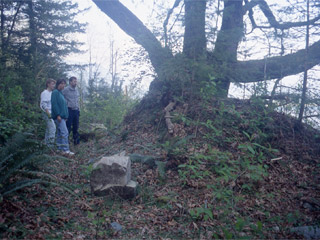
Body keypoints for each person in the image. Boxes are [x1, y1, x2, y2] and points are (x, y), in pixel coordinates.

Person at [51, 79, 74, 155]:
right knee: (65, 132)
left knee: (60, 132)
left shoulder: (60, 93)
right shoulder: (55, 93)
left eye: (64, 84)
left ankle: (59, 149)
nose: (63, 85)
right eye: (61, 83)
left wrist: (65, 116)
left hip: (63, 117)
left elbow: (63, 106)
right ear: (58, 84)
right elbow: (54, 105)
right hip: (59, 117)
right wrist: (58, 115)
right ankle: (66, 150)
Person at [62, 76, 80, 145]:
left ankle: (76, 142)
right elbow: (61, 98)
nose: (76, 83)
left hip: (76, 110)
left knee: (76, 127)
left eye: (76, 81)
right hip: (69, 110)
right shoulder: (66, 90)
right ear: (70, 82)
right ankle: (65, 142)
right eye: (74, 81)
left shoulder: (76, 90)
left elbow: (77, 100)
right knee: (68, 127)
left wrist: (79, 110)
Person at [40, 78, 56, 147]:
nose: (53, 86)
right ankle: (50, 146)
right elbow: (44, 105)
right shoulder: (45, 93)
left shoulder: (52, 93)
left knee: (48, 129)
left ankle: (46, 144)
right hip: (47, 113)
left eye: (54, 84)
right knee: (52, 128)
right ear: (48, 84)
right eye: (52, 84)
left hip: (51, 112)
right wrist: (48, 114)